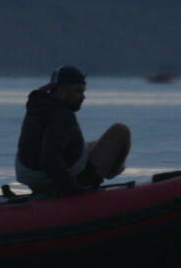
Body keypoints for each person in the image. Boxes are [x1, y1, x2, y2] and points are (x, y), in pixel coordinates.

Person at [15, 65, 131, 196]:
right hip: (64, 181)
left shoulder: (37, 105)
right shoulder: (62, 116)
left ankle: (110, 169)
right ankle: (110, 172)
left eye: (83, 91)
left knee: (90, 145)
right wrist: (74, 191)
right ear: (61, 90)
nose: (83, 97)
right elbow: (50, 158)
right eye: (77, 91)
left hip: (35, 177)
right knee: (120, 131)